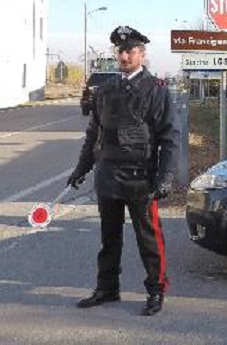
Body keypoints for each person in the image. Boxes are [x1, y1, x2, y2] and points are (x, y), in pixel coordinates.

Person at [68, 25, 179, 317]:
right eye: (121, 51)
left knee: (148, 238)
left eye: (130, 50)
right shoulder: (105, 90)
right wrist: (81, 168)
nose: (124, 56)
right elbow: (94, 134)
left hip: (141, 176)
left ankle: (156, 289)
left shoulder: (156, 90)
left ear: (142, 54)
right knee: (109, 236)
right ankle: (107, 288)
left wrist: (166, 176)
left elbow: (170, 137)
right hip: (108, 174)